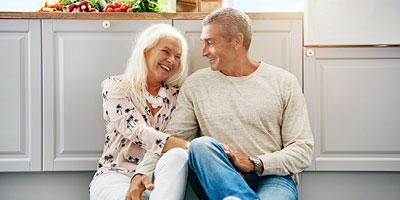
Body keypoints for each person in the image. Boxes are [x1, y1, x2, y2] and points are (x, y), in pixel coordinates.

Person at [132, 7, 314, 200]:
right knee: (201, 145)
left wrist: (254, 163)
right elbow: (173, 138)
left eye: (210, 43)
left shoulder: (283, 81)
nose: (203, 52)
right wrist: (142, 171)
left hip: (272, 178)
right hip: (217, 177)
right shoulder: (196, 84)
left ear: (237, 40)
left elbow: (302, 151)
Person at [89, 23, 191, 200]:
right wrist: (192, 147)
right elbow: (138, 132)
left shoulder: (177, 95)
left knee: (177, 155)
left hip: (158, 176)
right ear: (146, 50)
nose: (172, 60)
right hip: (116, 174)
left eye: (177, 56)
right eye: (166, 51)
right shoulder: (116, 87)